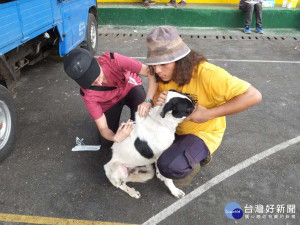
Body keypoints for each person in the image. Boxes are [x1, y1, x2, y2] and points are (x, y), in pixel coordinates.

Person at [146, 26, 262, 188]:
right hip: (174, 129)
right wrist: (156, 100)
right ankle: (183, 150)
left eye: (164, 63)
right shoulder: (161, 74)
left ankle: (199, 156)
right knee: (140, 145)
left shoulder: (208, 74)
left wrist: (209, 113)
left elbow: (254, 95)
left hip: (203, 132)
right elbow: (154, 103)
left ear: (180, 59)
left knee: (169, 166)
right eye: (154, 63)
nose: (157, 70)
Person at [64, 48, 157, 147]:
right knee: (107, 142)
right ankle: (128, 128)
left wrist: (148, 101)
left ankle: (136, 122)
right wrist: (115, 137)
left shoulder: (113, 60)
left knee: (144, 119)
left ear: (96, 62)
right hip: (110, 103)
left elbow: (150, 72)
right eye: (89, 81)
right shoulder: (87, 94)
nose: (98, 82)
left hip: (129, 87)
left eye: (95, 75)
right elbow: (103, 129)